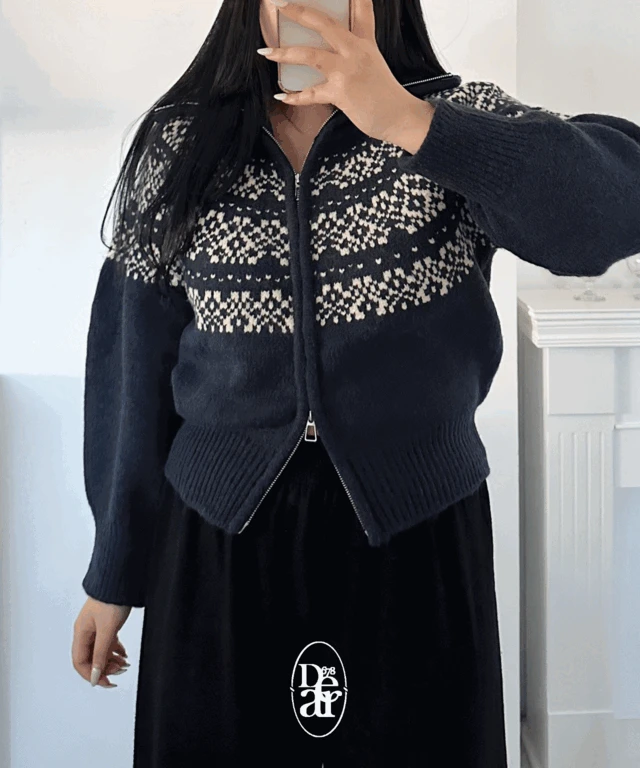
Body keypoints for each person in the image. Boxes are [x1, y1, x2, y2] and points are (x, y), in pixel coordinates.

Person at [71, 0, 640, 765]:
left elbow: (613, 210)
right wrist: (114, 569)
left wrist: (410, 121)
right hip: (220, 549)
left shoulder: (450, 121)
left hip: (417, 544)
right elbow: (131, 370)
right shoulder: (179, 147)